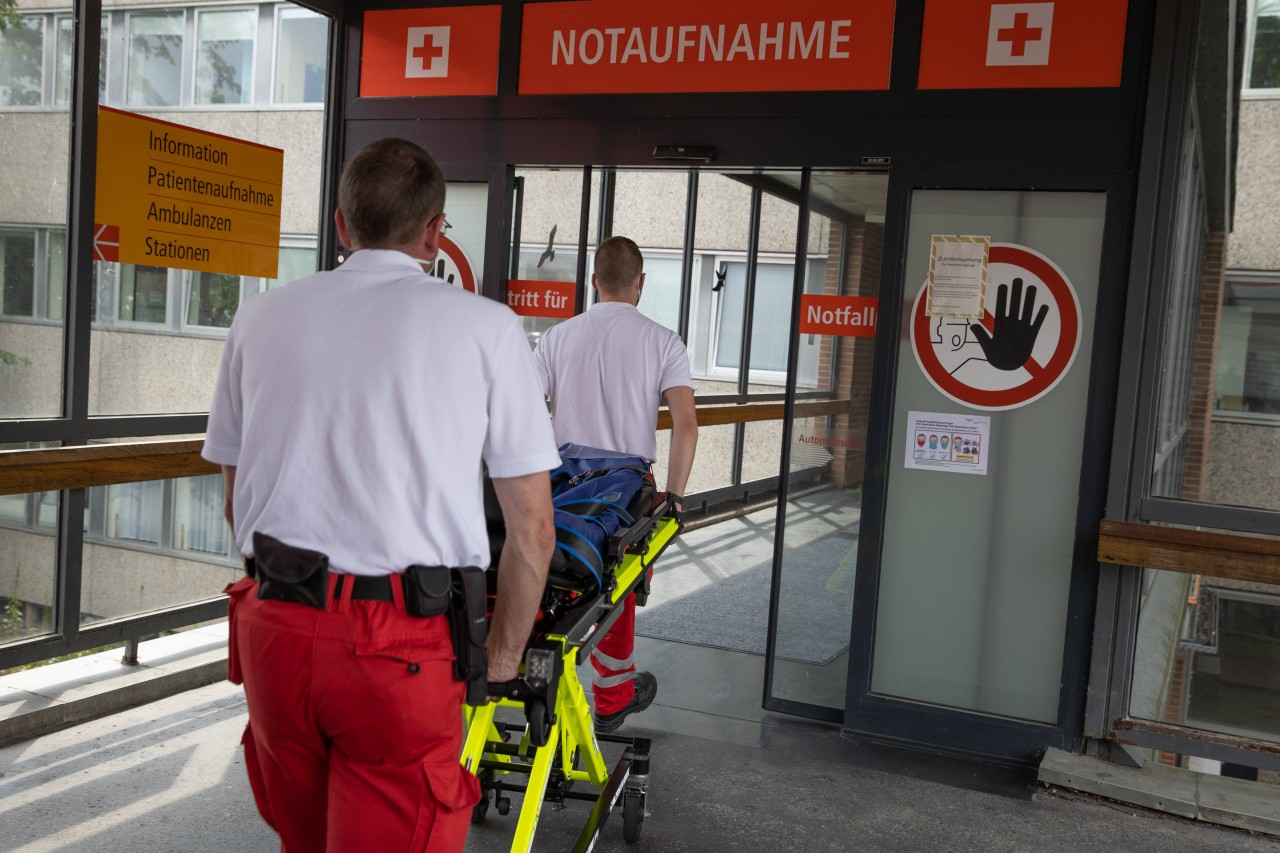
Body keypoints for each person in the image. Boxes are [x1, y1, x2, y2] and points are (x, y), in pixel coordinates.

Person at [202, 138, 561, 853]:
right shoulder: (488, 328)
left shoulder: (261, 317)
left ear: (341, 225)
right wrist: (499, 657)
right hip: (399, 649)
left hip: (275, 627)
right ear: (435, 232)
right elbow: (531, 529)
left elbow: (236, 496)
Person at [533, 235, 698, 733]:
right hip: (626, 484)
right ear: (641, 284)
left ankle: (538, 672)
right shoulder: (662, 340)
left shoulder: (557, 338)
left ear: (593, 282)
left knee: (559, 568)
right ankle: (612, 696)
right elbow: (687, 423)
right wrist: (673, 495)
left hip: (562, 479)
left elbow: (520, 410)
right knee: (617, 580)